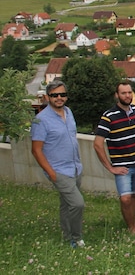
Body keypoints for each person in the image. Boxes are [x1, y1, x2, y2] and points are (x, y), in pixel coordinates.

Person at [30, 81, 85, 248]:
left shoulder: (68, 112)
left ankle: (67, 235)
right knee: (77, 203)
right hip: (58, 170)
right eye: (55, 95)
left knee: (66, 204)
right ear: (48, 97)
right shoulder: (41, 120)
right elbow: (36, 150)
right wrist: (51, 173)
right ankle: (76, 238)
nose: (59, 98)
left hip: (75, 167)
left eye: (62, 94)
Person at [94, 81, 135, 234]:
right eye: (123, 93)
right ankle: (132, 228)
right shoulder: (109, 116)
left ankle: (132, 224)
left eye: (129, 92)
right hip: (122, 167)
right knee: (125, 198)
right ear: (116, 95)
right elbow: (98, 144)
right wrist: (110, 167)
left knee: (133, 196)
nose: (127, 96)